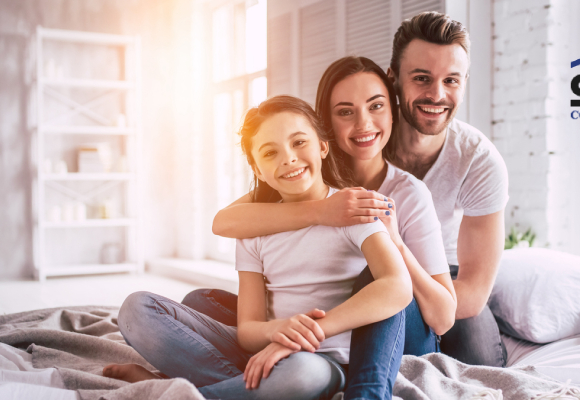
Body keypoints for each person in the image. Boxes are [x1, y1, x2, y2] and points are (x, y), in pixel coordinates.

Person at [102, 95, 413, 400]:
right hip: (266, 349)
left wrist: (304, 336)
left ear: (322, 146)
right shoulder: (256, 229)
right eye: (269, 153)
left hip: (322, 361)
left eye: (299, 142)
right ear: (257, 170)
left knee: (301, 376)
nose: (288, 158)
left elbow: (397, 286)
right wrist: (276, 330)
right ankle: (240, 389)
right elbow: (248, 330)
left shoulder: (352, 209)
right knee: (135, 308)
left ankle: (167, 392)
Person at [194, 56, 457, 395]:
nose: (363, 123)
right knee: (201, 302)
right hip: (323, 320)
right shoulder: (300, 175)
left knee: (374, 276)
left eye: (376, 106)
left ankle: (361, 388)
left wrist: (396, 244)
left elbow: (441, 317)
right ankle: (264, 378)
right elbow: (224, 222)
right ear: (326, 127)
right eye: (346, 111)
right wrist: (322, 211)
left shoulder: (408, 192)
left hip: (393, 328)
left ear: (392, 111)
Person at [385, 11, 509, 366]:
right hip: (371, 271)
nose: (437, 95)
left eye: (451, 80)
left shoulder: (478, 160)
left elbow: (471, 292)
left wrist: (413, 298)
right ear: (393, 77)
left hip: (445, 277)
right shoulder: (364, 142)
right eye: (422, 78)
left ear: (465, 81)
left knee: (479, 359)